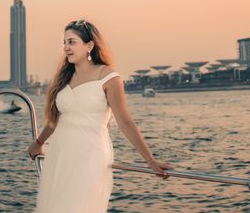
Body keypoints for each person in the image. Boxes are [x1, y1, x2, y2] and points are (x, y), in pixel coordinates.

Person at [29, 19, 172, 212]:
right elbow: (56, 120)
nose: (66, 48)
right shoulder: (64, 78)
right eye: (64, 42)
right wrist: (39, 142)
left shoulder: (108, 77)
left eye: (72, 42)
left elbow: (125, 123)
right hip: (59, 156)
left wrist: (150, 161)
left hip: (89, 156)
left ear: (89, 45)